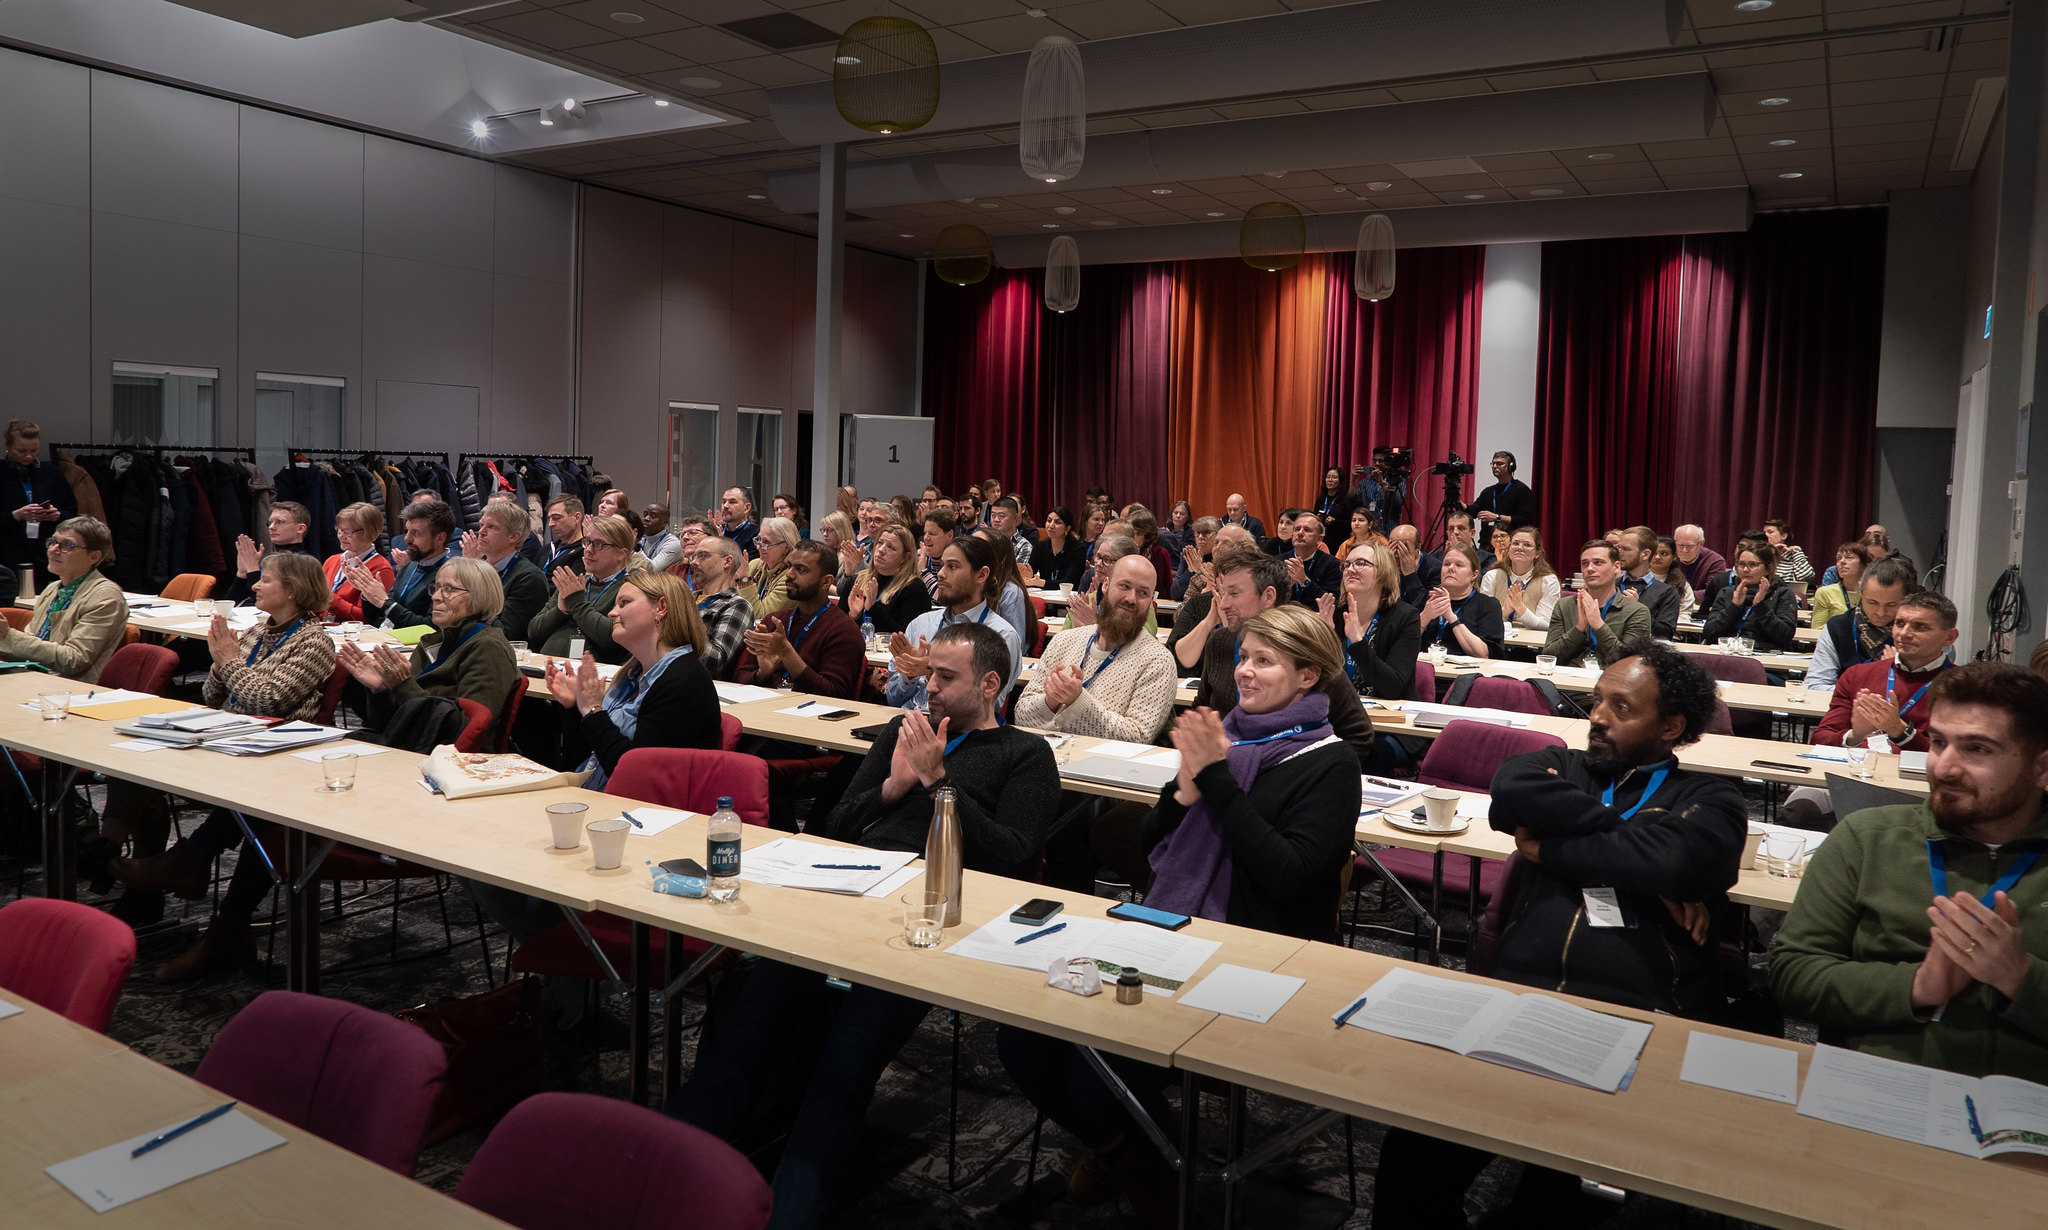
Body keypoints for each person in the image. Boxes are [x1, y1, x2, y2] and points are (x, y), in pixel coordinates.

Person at [668, 623, 1058, 1230]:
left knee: (841, 1072)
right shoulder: (905, 733)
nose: (926, 687)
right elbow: (836, 825)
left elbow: (1010, 856)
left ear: (989, 684)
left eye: (945, 678)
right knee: (743, 1038)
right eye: (928, 672)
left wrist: (937, 783)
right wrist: (893, 785)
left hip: (927, 924)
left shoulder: (1024, 756)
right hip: (841, 897)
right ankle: (656, 1185)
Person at [1001, 605, 1359, 1217]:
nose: (1244, 672)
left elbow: (1289, 879)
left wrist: (1213, 779)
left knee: (1095, 1063)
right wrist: (1188, 788)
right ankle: (1130, 1151)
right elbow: (1152, 850)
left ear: (1309, 677)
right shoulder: (1229, 739)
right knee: (1020, 1036)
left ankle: (1151, 1173)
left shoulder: (1330, 763)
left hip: (1264, 954)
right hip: (1174, 929)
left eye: (1264, 661)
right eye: (1243, 657)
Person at [1374, 644, 1743, 1229]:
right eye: (1597, 700)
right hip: (1519, 1001)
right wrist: (1631, 846)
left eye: (1621, 708)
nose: (1597, 716)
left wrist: (1555, 848)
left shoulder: (1709, 799)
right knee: (1410, 1158)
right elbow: (1511, 790)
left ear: (1671, 726)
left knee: (1567, 1204)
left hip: (1638, 1019)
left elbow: (1679, 861)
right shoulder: (1562, 765)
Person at [1774, 663, 2048, 1082]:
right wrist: (1918, 986)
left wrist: (2020, 977)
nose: (1944, 767)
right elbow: (1793, 974)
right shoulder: (1867, 839)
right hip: (1877, 1087)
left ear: (2041, 768)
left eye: (1977, 749)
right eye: (1939, 742)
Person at [107, 553, 341, 973]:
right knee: (135, 754)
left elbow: (269, 701)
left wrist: (229, 662)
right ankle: (141, 860)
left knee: (258, 805)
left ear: (291, 590)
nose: (254, 586)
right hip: (227, 734)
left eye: (265, 580)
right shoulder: (254, 632)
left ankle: (179, 866)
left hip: (276, 750)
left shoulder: (315, 642)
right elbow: (213, 696)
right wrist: (224, 661)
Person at [1190, 545, 1377, 766]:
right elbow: (1203, 710)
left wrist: (1302, 778)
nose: (1223, 604)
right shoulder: (1220, 641)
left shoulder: (1306, 645)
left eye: (1234, 593)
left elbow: (1358, 735)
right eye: (1223, 593)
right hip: (1225, 770)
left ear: (1268, 596)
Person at [543, 570, 720, 789]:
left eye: (624, 603)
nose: (611, 613)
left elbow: (633, 775)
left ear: (661, 608)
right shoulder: (631, 674)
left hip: (640, 812)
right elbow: (587, 756)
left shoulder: (684, 681)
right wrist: (575, 708)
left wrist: (592, 710)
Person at [1015, 554, 1178, 742]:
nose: (1132, 599)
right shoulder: (1063, 641)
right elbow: (1021, 716)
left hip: (1106, 769)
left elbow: (1138, 737)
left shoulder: (1158, 661)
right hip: (1045, 760)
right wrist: (1050, 701)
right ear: (1106, 585)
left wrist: (1078, 700)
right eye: (1124, 586)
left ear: (1151, 601)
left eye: (1143, 593)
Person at [1815, 591, 1959, 753]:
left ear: (1949, 637)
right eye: (1899, 623)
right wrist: (1856, 736)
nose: (1904, 633)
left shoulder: (1964, 687)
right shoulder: (1857, 675)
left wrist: (1901, 732)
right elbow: (1820, 738)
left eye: (1920, 627)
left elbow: (1957, 755)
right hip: (1860, 772)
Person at [887, 537, 1022, 709]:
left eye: (953, 567)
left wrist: (934, 672)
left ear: (981, 574)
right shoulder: (920, 624)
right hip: (908, 724)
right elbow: (892, 700)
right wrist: (909, 675)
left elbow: (987, 708)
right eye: (942, 565)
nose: (941, 573)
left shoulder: (1002, 635)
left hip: (961, 733)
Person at [0, 516, 126, 683]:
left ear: (94, 557)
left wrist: (8, 636)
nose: (53, 550)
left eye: (67, 545)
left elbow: (74, 660)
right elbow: (31, 643)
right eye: (53, 541)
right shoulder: (53, 588)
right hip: (35, 677)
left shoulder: (105, 597)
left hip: (72, 688)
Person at [733, 541, 864, 699]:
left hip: (813, 718)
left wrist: (786, 652)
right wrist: (763, 673)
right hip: (765, 712)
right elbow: (739, 679)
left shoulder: (844, 630)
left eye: (800, 569)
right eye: (790, 566)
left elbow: (834, 694)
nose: (789, 574)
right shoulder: (774, 621)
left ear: (826, 582)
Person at [528, 513, 636, 664]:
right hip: (548, 666)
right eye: (587, 542)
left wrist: (576, 602)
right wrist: (561, 609)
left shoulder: (630, 588)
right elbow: (533, 631)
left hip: (595, 674)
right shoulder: (573, 582)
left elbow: (611, 638)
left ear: (621, 554)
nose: (589, 550)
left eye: (599, 544)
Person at [1328, 540, 1421, 703]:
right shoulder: (1334, 612)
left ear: (1383, 574)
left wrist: (1357, 642)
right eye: (1347, 564)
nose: (1350, 569)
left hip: (1388, 719)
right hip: (1339, 712)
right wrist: (1322, 640)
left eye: (1361, 563)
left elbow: (1392, 687)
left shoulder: (1405, 617)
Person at [1808, 555, 1916, 689]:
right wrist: (1873, 687)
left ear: (1906, 599)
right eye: (1873, 602)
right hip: (1846, 708)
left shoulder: (1916, 634)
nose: (1880, 612)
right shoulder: (1838, 627)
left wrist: (1899, 676)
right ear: (1860, 591)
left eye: (1891, 605)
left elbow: (1928, 691)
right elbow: (1815, 685)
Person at [1542, 540, 1651, 667]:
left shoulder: (1637, 611)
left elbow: (1628, 664)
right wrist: (1578, 629)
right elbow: (1549, 656)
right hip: (1567, 680)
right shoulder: (1564, 606)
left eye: (1598, 563)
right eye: (1585, 564)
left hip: (1612, 682)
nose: (1590, 569)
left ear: (1616, 567)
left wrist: (1599, 626)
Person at [350, 499, 455, 630]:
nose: (406, 539)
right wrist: (368, 593)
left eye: (415, 533)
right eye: (407, 531)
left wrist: (386, 603)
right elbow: (379, 619)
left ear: (440, 538)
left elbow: (430, 627)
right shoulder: (408, 567)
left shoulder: (452, 575)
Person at [0, 419, 74, 593]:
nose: (28, 456)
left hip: (47, 554)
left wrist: (58, 516)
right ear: (8, 447)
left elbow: (72, 512)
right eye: (21, 451)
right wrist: (16, 515)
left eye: (34, 450)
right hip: (8, 556)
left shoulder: (51, 473)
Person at [459, 498, 549, 641]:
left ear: (513, 536)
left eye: (492, 527)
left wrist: (475, 582)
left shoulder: (529, 578)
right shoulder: (479, 568)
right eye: (481, 525)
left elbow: (506, 634)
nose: (481, 532)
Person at [1701, 542, 1799, 653]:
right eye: (1741, 564)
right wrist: (1733, 607)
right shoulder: (1727, 592)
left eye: (1752, 565)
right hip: (1726, 654)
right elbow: (1708, 632)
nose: (1745, 570)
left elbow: (1785, 636)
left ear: (1769, 568)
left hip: (1763, 656)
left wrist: (1761, 607)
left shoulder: (1782, 594)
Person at [839, 523, 932, 637]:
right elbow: (836, 628)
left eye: (890, 547)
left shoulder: (914, 589)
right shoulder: (856, 580)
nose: (881, 550)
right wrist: (853, 616)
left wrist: (873, 609)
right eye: (880, 543)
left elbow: (907, 636)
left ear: (905, 557)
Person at [1416, 544, 1504, 658]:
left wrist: (1452, 618)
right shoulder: (1426, 600)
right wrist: (1425, 617)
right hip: (1425, 668)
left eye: (1459, 565)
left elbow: (1483, 654)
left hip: (1466, 673)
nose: (1450, 568)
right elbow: (1404, 644)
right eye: (1446, 564)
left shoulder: (1488, 605)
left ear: (1474, 574)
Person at [687, 536, 754, 680]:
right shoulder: (685, 599)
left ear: (727, 561)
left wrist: (680, 623)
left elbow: (714, 662)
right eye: (694, 557)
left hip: (697, 686)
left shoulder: (736, 605)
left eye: (702, 555)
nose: (694, 562)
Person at [226, 501, 316, 603]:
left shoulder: (305, 564)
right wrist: (242, 574)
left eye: (280, 522)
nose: (271, 527)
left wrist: (252, 570)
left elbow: (264, 603)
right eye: (270, 522)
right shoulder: (266, 560)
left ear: (300, 528)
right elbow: (229, 604)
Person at [321, 503, 395, 624]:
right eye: (339, 530)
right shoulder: (332, 560)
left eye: (348, 532)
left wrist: (332, 600)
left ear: (369, 533)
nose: (341, 536)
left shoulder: (381, 568)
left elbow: (368, 618)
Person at [1479, 525, 1560, 632]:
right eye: (1516, 543)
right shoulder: (1492, 576)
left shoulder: (1548, 581)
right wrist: (1505, 611)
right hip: (1495, 642)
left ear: (1537, 553)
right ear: (1509, 549)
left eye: (1526, 545)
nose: (1519, 548)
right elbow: (1482, 620)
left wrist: (1520, 608)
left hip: (1532, 645)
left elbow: (1546, 625)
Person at [1614, 525, 1682, 640]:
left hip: (1646, 653)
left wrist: (1638, 610)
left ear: (1645, 554)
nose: (1619, 553)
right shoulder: (1611, 585)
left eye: (1625, 549)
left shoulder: (1667, 592)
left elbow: (1665, 634)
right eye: (1618, 548)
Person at [970, 528, 1036, 647]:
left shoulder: (1011, 593)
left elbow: (1014, 644)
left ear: (995, 556)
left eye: (977, 547)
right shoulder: (969, 584)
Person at [1692, 528, 1767, 619]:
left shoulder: (1776, 587)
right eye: (1741, 546)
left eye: (1750, 548)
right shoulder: (1720, 580)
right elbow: (1702, 614)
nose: (1743, 551)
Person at [1279, 510, 1342, 608]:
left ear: (1319, 539)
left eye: (1307, 530)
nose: (1300, 533)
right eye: (1297, 529)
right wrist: (1286, 587)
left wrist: (1304, 581)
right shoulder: (1279, 561)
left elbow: (1332, 602)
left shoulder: (1331, 564)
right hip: (1284, 617)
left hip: (1316, 618)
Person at [745, 516, 800, 618]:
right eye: (759, 539)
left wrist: (745, 582)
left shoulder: (791, 579)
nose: (758, 547)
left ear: (786, 548)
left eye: (766, 543)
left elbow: (761, 617)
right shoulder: (755, 565)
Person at [1466, 450, 1535, 532]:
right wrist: (1459, 502)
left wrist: (1497, 517)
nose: (1494, 466)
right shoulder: (1488, 491)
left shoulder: (1522, 490)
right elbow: (1472, 512)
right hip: (1487, 541)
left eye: (1499, 464)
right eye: (1493, 464)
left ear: (1511, 466)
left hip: (1510, 540)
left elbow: (1524, 520)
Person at [1810, 541, 1871, 630]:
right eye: (1838, 558)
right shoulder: (1825, 593)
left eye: (1849, 557)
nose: (1842, 562)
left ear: (1863, 565)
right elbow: (1818, 629)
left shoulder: (1872, 593)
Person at [1386, 524, 1439, 611]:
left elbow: (1426, 608)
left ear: (1418, 548)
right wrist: (1386, 570)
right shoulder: (1382, 565)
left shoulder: (1435, 569)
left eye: (1403, 547)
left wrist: (1410, 574)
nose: (1397, 553)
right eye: (1393, 546)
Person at [1034, 505, 1086, 590]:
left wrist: (1041, 583)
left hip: (1067, 599)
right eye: (1049, 520)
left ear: (1067, 528)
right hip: (1044, 596)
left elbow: (1069, 582)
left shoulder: (1078, 549)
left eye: (1057, 522)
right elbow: (1030, 573)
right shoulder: (1040, 547)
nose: (1051, 526)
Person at [1646, 534, 1696, 615]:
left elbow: (1684, 615)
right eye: (1654, 553)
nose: (1658, 557)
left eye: (1664, 553)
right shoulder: (1638, 579)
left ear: (1674, 557)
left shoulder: (1682, 585)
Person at [1672, 523, 1728, 592]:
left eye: (1689, 546)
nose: (1684, 550)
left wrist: (1682, 597)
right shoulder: (1669, 557)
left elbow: (1712, 592)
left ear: (1701, 544)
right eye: (1680, 545)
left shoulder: (1716, 561)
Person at [1312, 466, 1355, 550]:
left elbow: (1350, 523)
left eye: (1334, 477)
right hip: (1321, 540)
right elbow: (1314, 516)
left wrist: (1335, 521)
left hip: (1339, 540)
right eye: (1328, 477)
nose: (1330, 480)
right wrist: (1317, 518)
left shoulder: (1345, 500)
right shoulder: (1321, 499)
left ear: (1340, 481)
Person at [987, 496, 1035, 572]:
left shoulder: (1024, 546)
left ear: (1015, 517)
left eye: (1001, 516)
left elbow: (1016, 576)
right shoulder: (986, 539)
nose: (996, 520)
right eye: (993, 515)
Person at [540, 495, 586, 575]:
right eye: (549, 519)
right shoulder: (546, 549)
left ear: (577, 518)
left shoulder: (585, 552)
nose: (550, 524)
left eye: (556, 518)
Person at [918, 508, 957, 600]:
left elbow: (944, 598)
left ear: (949, 535)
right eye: (925, 533)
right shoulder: (918, 557)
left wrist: (923, 572)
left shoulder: (957, 563)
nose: (926, 537)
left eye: (932, 533)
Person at [1763, 518, 1814, 584]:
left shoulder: (1793, 556)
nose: (1765, 535)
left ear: (1783, 536)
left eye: (1770, 532)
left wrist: (1797, 551)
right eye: (1764, 533)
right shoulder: (1762, 555)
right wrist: (1772, 552)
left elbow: (1806, 576)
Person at [714, 486, 758, 558]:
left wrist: (722, 545)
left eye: (732, 502)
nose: (725, 506)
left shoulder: (756, 535)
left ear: (747, 508)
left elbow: (745, 567)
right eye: (724, 502)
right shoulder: (717, 531)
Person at [818, 510, 861, 585]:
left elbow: (845, 589)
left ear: (841, 531)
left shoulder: (852, 556)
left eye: (829, 530)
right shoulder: (822, 553)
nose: (825, 534)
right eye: (823, 530)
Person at [639, 503, 681, 573]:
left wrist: (635, 548)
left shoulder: (673, 544)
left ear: (664, 523)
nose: (646, 518)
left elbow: (651, 570)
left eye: (653, 516)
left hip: (663, 583)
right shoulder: (641, 540)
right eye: (645, 514)